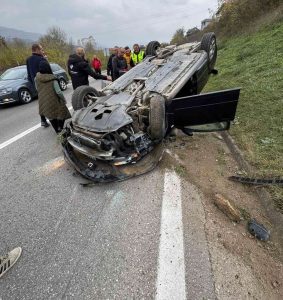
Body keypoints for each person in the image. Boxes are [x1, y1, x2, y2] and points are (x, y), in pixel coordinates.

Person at [35, 60, 71, 133]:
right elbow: (58, 92)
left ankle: (57, 130)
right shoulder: (52, 79)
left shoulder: (36, 78)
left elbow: (37, 88)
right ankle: (60, 127)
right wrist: (63, 100)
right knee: (63, 111)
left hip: (43, 101)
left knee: (50, 115)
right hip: (54, 100)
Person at [26, 43, 49, 127]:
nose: (42, 51)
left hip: (36, 85)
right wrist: (46, 60)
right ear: (36, 50)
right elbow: (48, 71)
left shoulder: (28, 59)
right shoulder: (41, 59)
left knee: (42, 102)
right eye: (41, 49)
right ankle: (56, 118)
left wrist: (33, 84)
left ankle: (43, 120)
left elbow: (28, 74)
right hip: (45, 83)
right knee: (52, 99)